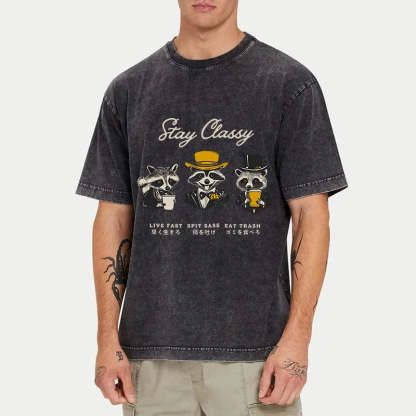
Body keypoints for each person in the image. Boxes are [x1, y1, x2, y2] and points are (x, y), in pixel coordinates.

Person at [76, 1, 347, 415]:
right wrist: (105, 340)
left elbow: (312, 216)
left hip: (259, 361)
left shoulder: (289, 85)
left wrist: (298, 339)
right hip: (150, 361)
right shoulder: (128, 91)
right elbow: (112, 219)